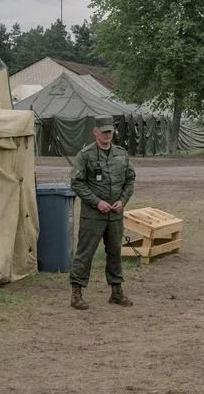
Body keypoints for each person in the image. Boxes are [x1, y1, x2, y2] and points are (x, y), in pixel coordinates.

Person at [69, 115, 136, 310]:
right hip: (93, 215)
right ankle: (76, 293)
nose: (108, 135)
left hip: (115, 215)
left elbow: (130, 180)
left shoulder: (122, 154)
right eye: (104, 131)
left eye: (110, 131)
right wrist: (97, 202)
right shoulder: (85, 155)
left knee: (115, 252)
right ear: (95, 132)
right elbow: (77, 183)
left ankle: (116, 292)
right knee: (85, 253)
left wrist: (122, 201)